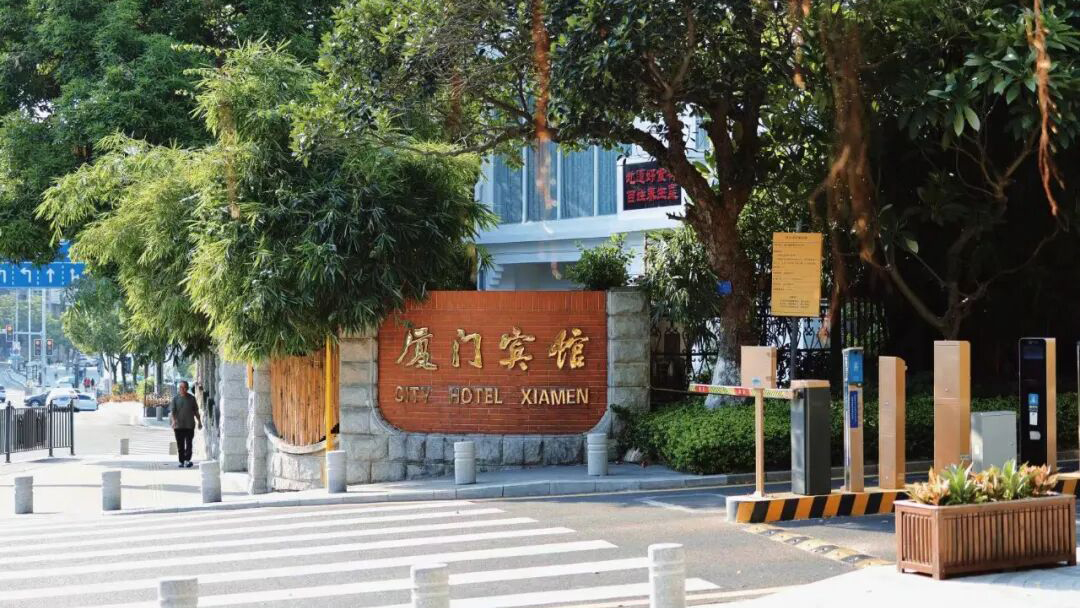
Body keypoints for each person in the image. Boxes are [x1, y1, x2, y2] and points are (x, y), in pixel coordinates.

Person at [169, 381, 202, 468]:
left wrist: (199, 421)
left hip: (189, 425)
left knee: (189, 444)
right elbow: (173, 411)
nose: (182, 389)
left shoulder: (192, 398)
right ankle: (182, 461)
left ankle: (187, 460)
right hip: (178, 426)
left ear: (187, 388)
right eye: (180, 387)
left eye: (184, 387)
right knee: (180, 445)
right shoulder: (175, 399)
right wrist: (174, 421)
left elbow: (196, 411)